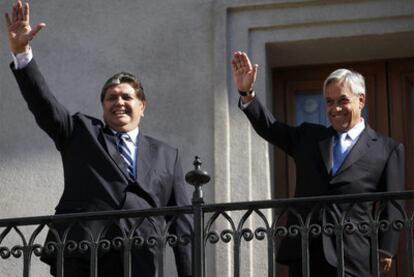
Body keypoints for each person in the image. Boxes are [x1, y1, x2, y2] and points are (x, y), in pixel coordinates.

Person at [4, 1, 192, 277]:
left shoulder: (167, 155)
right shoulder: (80, 132)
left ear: (142, 105)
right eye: (111, 98)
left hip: (142, 260)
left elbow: (183, 225)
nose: (119, 103)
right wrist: (22, 55)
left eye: (127, 97)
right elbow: (43, 104)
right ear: (102, 106)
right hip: (84, 255)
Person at [231, 51, 405, 277]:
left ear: (361, 100)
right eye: (330, 102)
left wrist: (386, 249)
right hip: (305, 253)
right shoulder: (310, 137)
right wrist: (247, 93)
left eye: (343, 100)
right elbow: (271, 128)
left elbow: (392, 204)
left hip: (353, 257)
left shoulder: (386, 148)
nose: (335, 109)